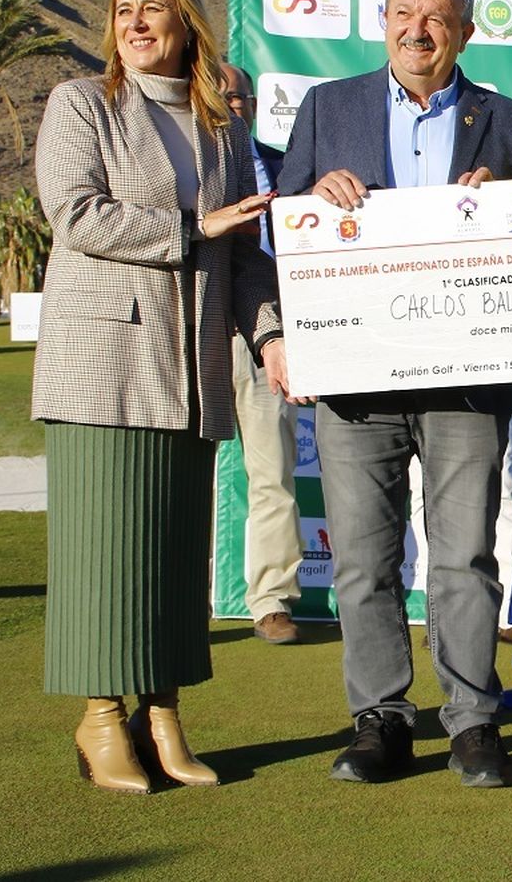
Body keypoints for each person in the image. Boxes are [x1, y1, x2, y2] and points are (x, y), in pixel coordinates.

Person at [278, 0, 512, 786]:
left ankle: (472, 722)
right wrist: (313, 201)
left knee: (464, 557)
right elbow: (281, 228)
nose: (417, 30)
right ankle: (383, 721)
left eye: (436, 16)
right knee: (364, 561)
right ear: (383, 20)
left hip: (468, 382)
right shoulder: (328, 109)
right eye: (404, 12)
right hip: (358, 379)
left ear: (465, 30)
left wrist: (506, 204)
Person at [33, 0, 288, 794]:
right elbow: (76, 214)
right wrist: (194, 226)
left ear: (187, 22)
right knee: (105, 550)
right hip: (103, 364)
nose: (136, 23)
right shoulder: (81, 103)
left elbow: (242, 254)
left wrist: (271, 337)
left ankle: (163, 713)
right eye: (124, 10)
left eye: (153, 8)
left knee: (175, 557)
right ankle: (101, 717)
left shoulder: (224, 128)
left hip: (194, 366)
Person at [219, 62, 305, 645]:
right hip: (198, 333)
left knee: (272, 473)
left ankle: (271, 601)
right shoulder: (187, 167)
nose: (231, 105)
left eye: (240, 97)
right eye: (221, 95)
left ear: (252, 105)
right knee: (179, 477)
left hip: (268, 338)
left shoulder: (286, 167)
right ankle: (171, 598)